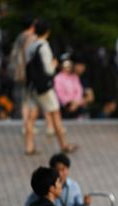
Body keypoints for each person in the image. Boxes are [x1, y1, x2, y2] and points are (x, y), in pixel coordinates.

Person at [24, 18, 77, 155]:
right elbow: (49, 70)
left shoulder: (30, 46)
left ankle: (29, 146)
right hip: (45, 87)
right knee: (55, 114)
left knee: (32, 116)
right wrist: (54, 64)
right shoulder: (44, 46)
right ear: (47, 31)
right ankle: (63, 145)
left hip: (33, 86)